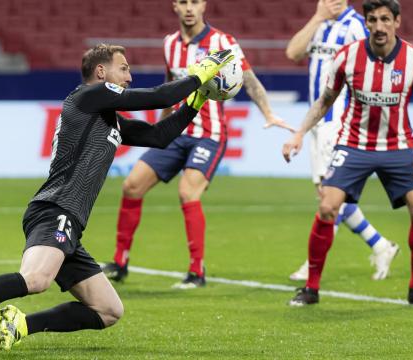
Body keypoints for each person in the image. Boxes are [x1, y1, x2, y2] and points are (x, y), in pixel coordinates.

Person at [0, 44, 235, 350]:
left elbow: (159, 136)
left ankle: (21, 325)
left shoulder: (108, 119)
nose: (129, 77)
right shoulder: (89, 96)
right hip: (56, 208)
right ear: (100, 71)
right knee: (36, 279)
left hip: (71, 220)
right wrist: (201, 73)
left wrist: (197, 100)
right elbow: (157, 97)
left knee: (108, 310)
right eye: (123, 69)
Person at [102, 0, 294, 289]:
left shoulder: (223, 42)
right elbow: (169, 85)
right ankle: (119, 262)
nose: (189, 8)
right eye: (183, 2)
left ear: (204, 5)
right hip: (176, 132)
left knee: (187, 191)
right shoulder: (169, 43)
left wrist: (267, 112)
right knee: (132, 185)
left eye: (195, 1)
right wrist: (159, 126)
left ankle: (196, 272)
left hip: (209, 134)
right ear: (174, 7)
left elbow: (249, 80)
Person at [282, 0, 413, 307]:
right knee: (327, 205)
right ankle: (311, 288)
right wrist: (298, 133)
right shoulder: (347, 57)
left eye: (385, 20)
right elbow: (324, 101)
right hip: (354, 145)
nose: (379, 26)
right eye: (373, 20)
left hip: (398, 147)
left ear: (397, 22)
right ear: (366, 23)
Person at [285, 0, 399, 282]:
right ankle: (381, 245)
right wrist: (316, 18)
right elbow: (292, 53)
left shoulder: (358, 26)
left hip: (339, 119)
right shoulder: (319, 24)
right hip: (317, 119)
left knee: (329, 196)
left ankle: (313, 265)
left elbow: (379, 65)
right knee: (326, 194)